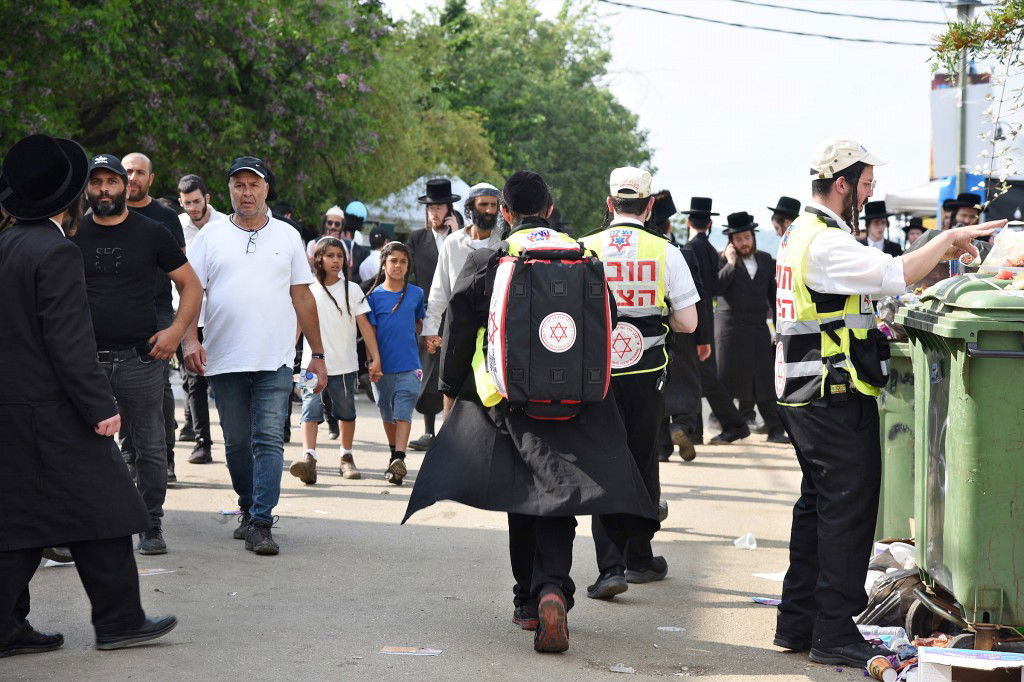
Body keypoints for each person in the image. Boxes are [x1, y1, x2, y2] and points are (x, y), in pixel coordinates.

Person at [403, 171, 658, 654]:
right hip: (580, 402)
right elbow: (611, 318)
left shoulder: (491, 259)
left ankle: (528, 600)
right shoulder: (584, 255)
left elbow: (458, 322)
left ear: (504, 211)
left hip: (510, 400)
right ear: (552, 206)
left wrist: (451, 387)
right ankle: (554, 588)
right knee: (560, 496)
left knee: (521, 493)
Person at [773, 137, 1002, 667]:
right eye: (867, 184)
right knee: (846, 514)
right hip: (830, 395)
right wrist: (948, 239)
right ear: (842, 184)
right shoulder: (825, 242)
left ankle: (798, 621)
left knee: (816, 508)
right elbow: (895, 273)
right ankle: (831, 631)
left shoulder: (802, 234)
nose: (870, 194)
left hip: (805, 391)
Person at [0, 134, 178, 657]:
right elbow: (68, 341)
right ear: (70, 197)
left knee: (25, 519)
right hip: (53, 410)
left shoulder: (8, 243)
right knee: (105, 506)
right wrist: (101, 407)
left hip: (16, 408)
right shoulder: (55, 250)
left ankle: (18, 625)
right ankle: (119, 621)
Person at [182, 156, 328, 556]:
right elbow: (191, 291)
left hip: (275, 358)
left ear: (266, 189)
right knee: (235, 443)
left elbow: (302, 295)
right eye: (239, 185)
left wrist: (317, 354)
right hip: (224, 358)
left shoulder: (287, 236)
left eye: (254, 185)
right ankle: (248, 507)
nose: (246, 193)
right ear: (229, 190)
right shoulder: (209, 237)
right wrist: (190, 341)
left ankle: (262, 521)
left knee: (267, 439)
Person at [71, 154, 202, 556]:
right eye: (98, 183)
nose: (106, 189)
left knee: (149, 444)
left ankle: (150, 523)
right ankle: (89, 523)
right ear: (88, 189)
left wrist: (176, 333)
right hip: (84, 363)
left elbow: (191, 287)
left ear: (125, 186)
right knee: (80, 444)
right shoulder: (71, 235)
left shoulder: (152, 232)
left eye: (113, 181)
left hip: (141, 359)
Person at [582, 168, 699, 600]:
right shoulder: (665, 251)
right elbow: (688, 322)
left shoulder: (585, 248)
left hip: (597, 374)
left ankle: (609, 566)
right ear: (649, 207)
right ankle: (640, 557)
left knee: (603, 461)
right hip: (647, 372)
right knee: (641, 458)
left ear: (610, 204)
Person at [118, 153, 188, 484]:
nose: (132, 177)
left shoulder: (165, 217)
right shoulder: (98, 213)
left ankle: (165, 457)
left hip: (157, 310)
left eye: (139, 172)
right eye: (127, 171)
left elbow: (184, 273)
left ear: (151, 178)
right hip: (113, 314)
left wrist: (179, 328)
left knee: (157, 385)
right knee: (118, 387)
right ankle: (128, 458)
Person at [289, 238, 382, 484]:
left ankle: (346, 457)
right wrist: (287, 355)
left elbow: (366, 328)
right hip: (311, 365)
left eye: (339, 256)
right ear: (318, 258)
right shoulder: (308, 289)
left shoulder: (353, 290)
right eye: (330, 255)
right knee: (309, 410)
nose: (335, 260)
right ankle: (309, 459)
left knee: (346, 412)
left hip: (345, 365)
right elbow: (298, 325)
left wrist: (375, 358)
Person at [422, 181, 502, 414]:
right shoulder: (453, 243)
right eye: (483, 204)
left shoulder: (506, 241)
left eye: (493, 205)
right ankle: (450, 441)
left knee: (493, 391)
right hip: (458, 327)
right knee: (451, 389)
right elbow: (440, 290)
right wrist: (431, 329)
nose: (489, 210)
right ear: (470, 208)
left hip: (494, 328)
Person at [682, 197, 751, 443]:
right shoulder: (711, 249)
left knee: (702, 378)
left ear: (689, 221)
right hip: (707, 317)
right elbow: (717, 287)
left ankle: (735, 425)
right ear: (709, 222)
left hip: (694, 318)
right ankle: (697, 432)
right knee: (701, 377)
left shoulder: (688, 249)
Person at [715, 212, 787, 444]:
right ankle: (730, 426)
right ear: (731, 242)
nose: (744, 243)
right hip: (729, 330)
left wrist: (779, 329)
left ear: (753, 237)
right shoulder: (723, 260)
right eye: (738, 239)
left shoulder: (766, 259)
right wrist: (731, 263)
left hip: (757, 329)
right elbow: (716, 287)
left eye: (747, 237)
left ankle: (775, 429)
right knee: (726, 379)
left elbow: (775, 298)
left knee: (764, 379)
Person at [649, 190, 709, 463]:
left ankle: (663, 447)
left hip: (652, 332)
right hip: (683, 331)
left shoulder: (643, 255)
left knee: (658, 386)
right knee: (688, 384)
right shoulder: (681, 254)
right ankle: (682, 426)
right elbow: (700, 300)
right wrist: (704, 338)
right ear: (669, 227)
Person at [406, 178, 461, 451]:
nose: (435, 212)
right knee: (429, 370)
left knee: (454, 367)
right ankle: (428, 431)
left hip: (459, 311)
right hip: (429, 311)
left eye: (439, 207)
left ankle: (452, 429)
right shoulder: (417, 237)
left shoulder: (462, 236)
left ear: (449, 208)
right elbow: (412, 275)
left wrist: (456, 234)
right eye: (431, 208)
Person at [365, 242, 425, 486]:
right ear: (384, 263)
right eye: (393, 261)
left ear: (408, 265)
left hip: (410, 365)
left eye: (403, 261)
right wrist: (373, 361)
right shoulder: (374, 297)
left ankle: (400, 457)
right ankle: (394, 456)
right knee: (387, 412)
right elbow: (370, 334)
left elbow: (420, 323)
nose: (398, 265)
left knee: (403, 411)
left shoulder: (416, 293)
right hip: (382, 368)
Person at [177, 173, 224, 464]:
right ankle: (202, 443)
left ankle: (242, 441)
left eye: (196, 201)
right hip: (188, 314)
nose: (193, 208)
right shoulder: (177, 227)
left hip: (221, 314)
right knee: (194, 382)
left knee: (227, 380)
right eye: (186, 204)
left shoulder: (226, 225)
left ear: (207, 198)